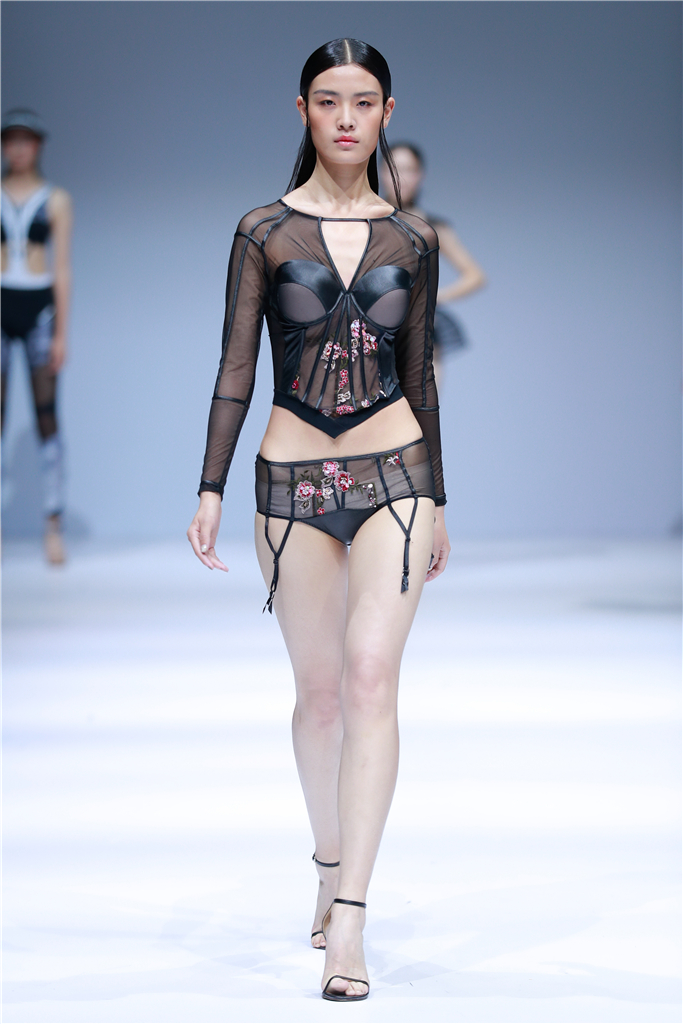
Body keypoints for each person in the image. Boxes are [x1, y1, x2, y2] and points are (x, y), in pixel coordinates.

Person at [187, 38, 450, 1003]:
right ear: (302, 110)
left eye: (364, 101)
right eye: (329, 100)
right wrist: (210, 486)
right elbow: (236, 364)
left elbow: (418, 374)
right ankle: (327, 863)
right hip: (290, 479)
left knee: (373, 678)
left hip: (395, 475)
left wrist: (439, 497)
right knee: (322, 695)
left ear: (386, 113)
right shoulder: (262, 230)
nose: (347, 117)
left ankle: (351, 921)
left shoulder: (412, 237)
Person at [1, 109, 72, 564]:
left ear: (38, 145)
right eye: (11, 140)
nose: (18, 149)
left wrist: (62, 332)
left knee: (46, 415)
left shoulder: (55, 199)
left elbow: (61, 268)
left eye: (25, 140)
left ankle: (52, 525)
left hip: (39, 307)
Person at [380, 141, 486, 376]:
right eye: (393, 169)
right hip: (372, 335)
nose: (400, 178)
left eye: (408, 170)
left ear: (420, 175)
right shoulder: (363, 223)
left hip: (420, 338)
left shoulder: (433, 227)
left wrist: (434, 296)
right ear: (381, 173)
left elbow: (475, 276)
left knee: (421, 399)